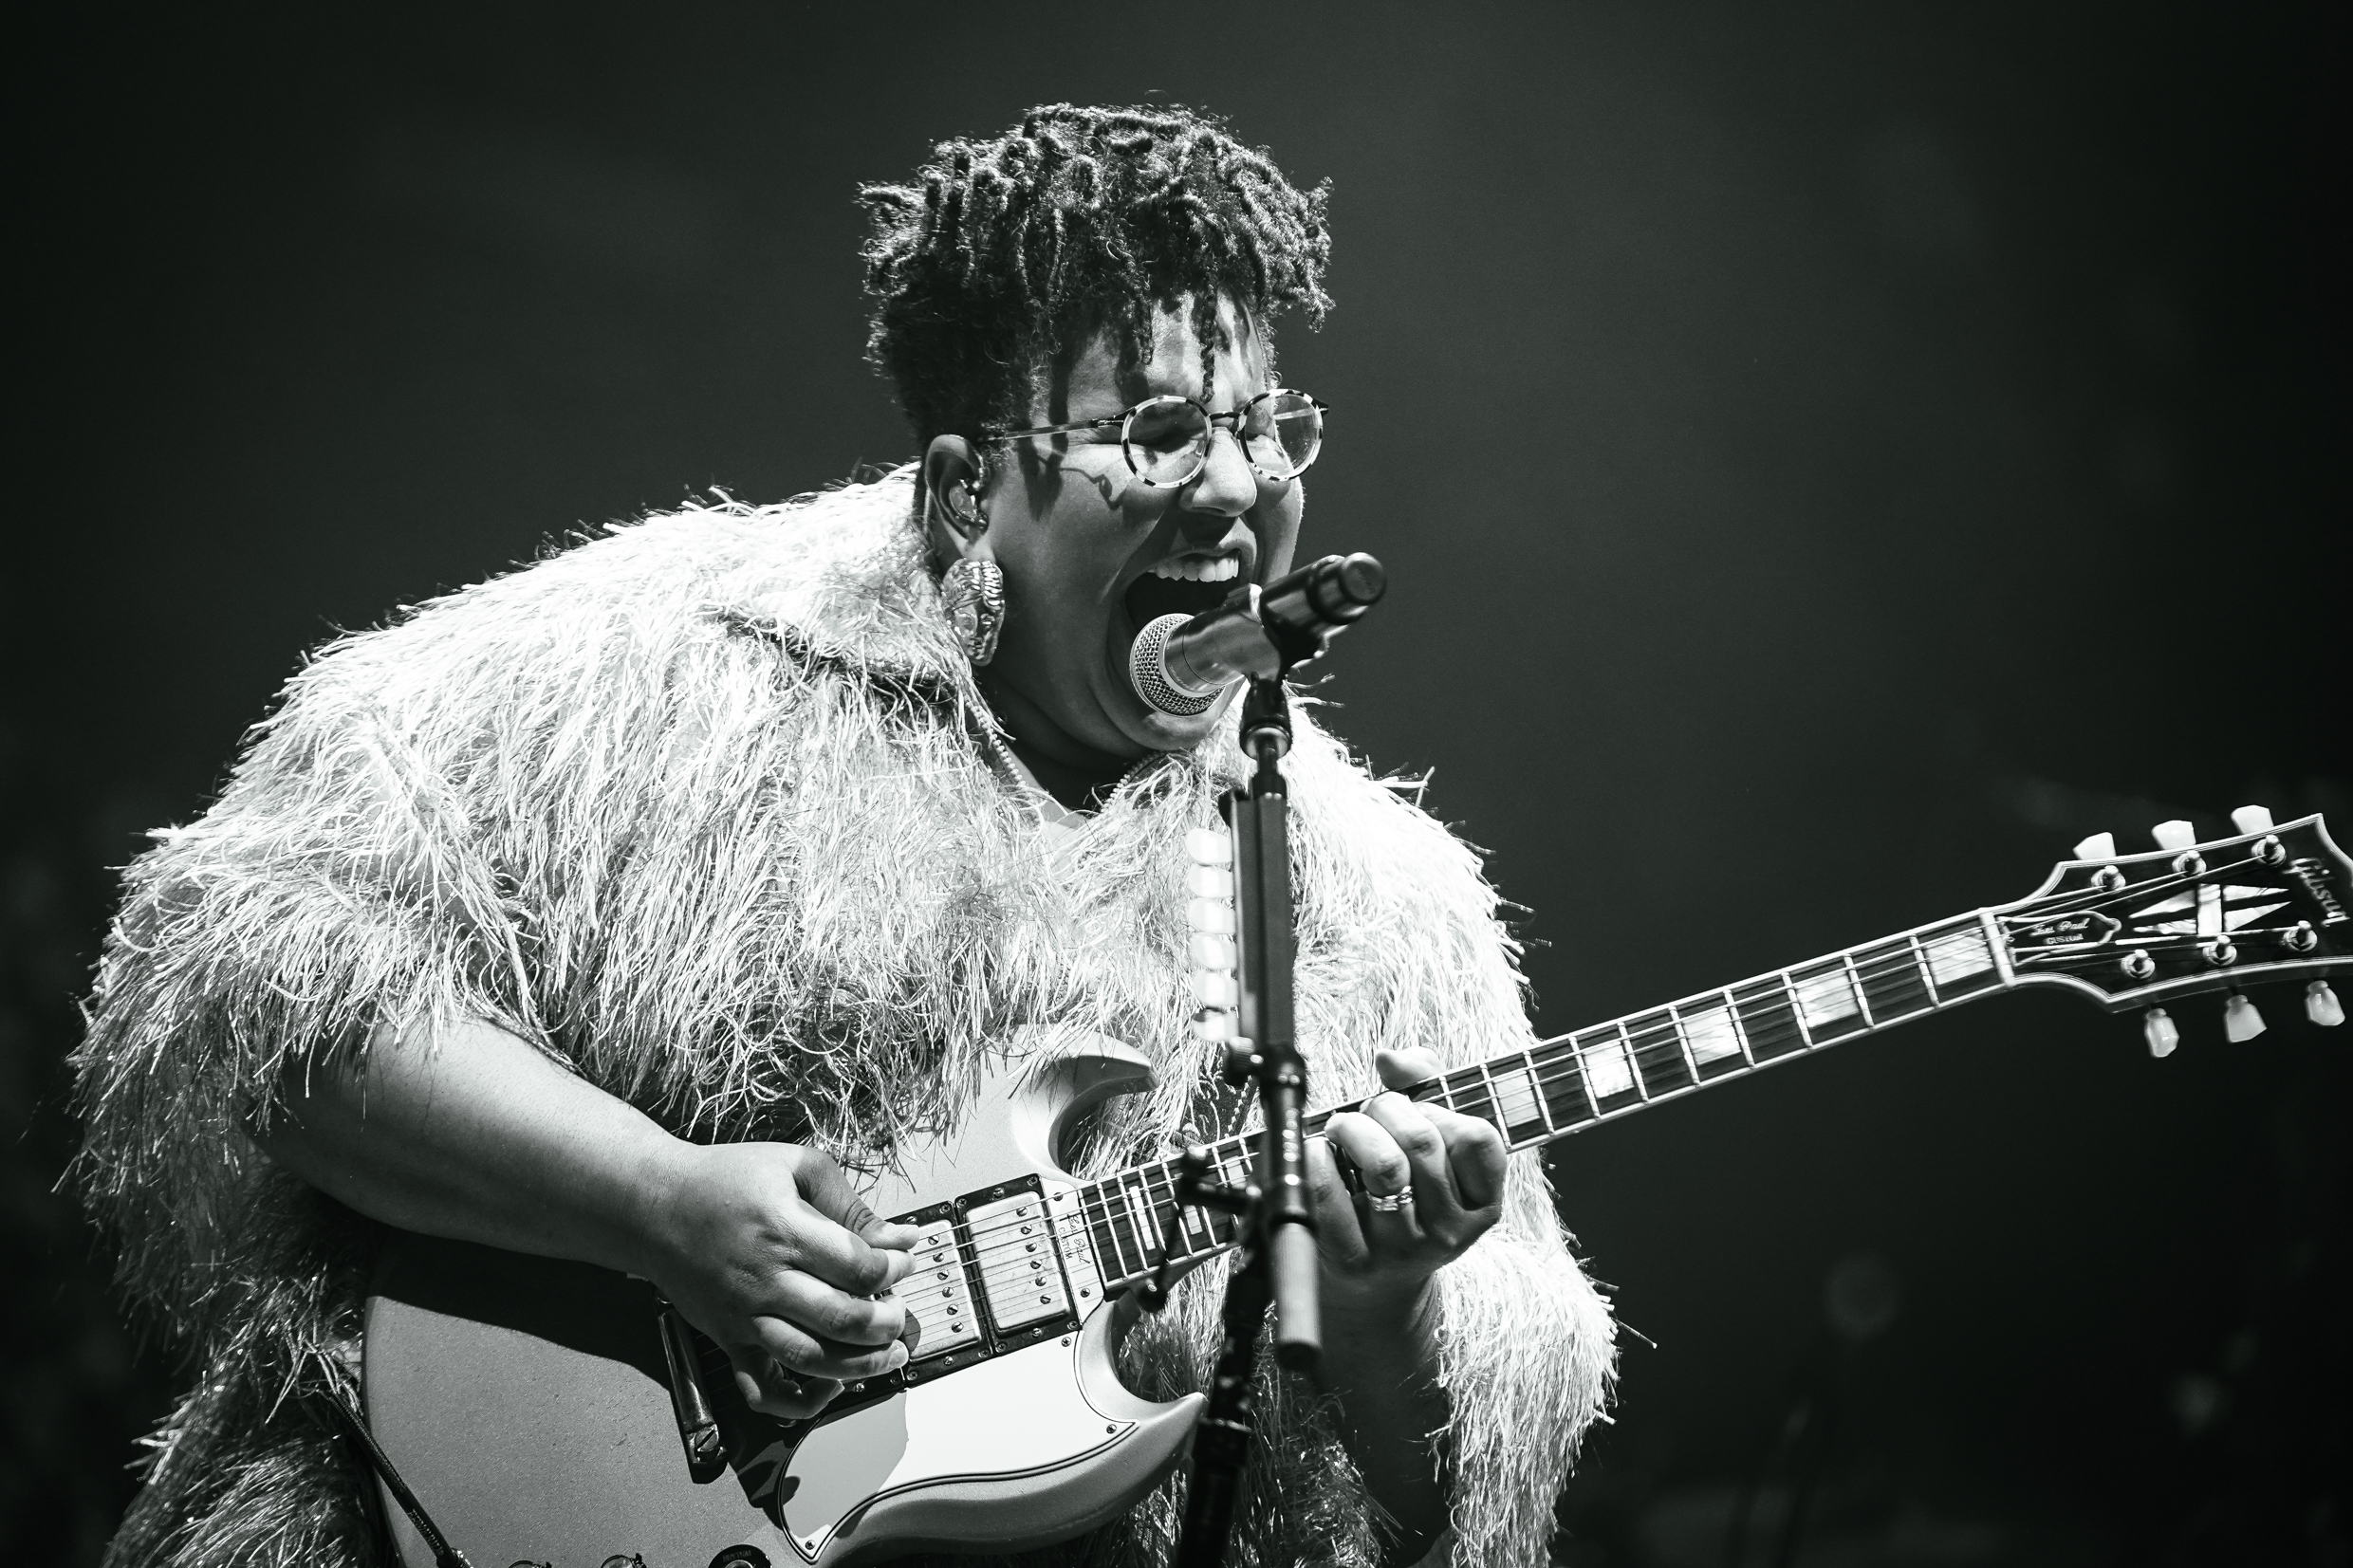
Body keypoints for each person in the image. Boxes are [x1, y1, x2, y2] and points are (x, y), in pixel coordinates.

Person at [72, 103, 1615, 1568]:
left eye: (1266, 426)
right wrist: (652, 1201)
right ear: (964, 488)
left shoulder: (1373, 902)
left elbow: (1440, 1504)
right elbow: (257, 993)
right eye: (1156, 429)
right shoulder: (659, 668)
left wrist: (1382, 1303)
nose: (1233, 487)